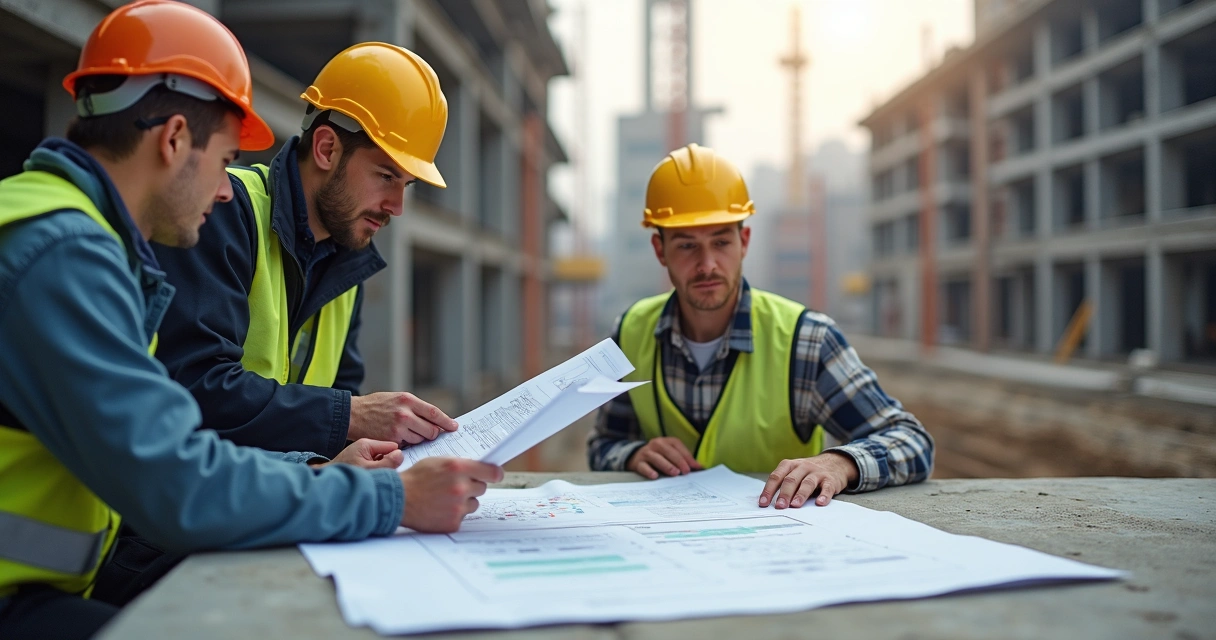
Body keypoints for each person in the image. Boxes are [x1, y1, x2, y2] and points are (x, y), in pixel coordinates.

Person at [0, 4, 497, 638]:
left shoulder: (79, 239)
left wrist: (329, 467)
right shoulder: (64, 254)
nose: (227, 185)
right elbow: (176, 475)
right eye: (225, 157)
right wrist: (391, 497)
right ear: (174, 138)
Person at [151, 42, 457, 459]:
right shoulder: (222, 211)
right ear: (327, 149)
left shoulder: (348, 257)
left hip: (271, 504)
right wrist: (349, 416)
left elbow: (335, 409)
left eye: (405, 185)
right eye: (386, 176)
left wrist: (375, 453)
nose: (396, 207)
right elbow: (194, 387)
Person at [588, 143, 934, 509]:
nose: (707, 264)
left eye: (721, 242)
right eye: (688, 246)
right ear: (660, 250)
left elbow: (911, 441)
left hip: (780, 547)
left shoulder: (807, 341)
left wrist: (840, 463)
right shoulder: (631, 332)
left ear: (744, 242)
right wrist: (632, 454)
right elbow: (602, 445)